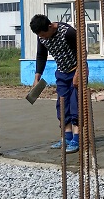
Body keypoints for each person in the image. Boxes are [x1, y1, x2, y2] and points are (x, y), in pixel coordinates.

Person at [30, 14, 80, 153]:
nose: (43, 38)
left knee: (76, 104)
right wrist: (37, 77)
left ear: (50, 26)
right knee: (62, 105)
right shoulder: (41, 36)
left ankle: (77, 138)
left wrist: (78, 74)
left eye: (44, 34)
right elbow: (41, 55)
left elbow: (82, 53)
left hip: (77, 70)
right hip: (62, 73)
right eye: (40, 36)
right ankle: (67, 137)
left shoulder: (68, 32)